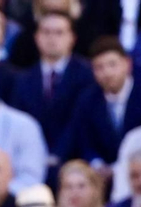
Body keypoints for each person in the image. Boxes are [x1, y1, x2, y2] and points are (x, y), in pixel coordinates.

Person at [10, 11, 92, 168]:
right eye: (46, 32)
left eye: (59, 32)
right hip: (32, 162)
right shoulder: (23, 79)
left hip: (76, 162)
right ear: (36, 37)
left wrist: (58, 155)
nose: (52, 38)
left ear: (72, 38)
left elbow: (80, 122)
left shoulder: (87, 75)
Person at [62, 39, 141, 168]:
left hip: (139, 167)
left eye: (112, 65)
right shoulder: (87, 100)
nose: (107, 73)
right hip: (100, 174)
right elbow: (85, 142)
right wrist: (97, 165)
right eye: (99, 67)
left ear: (127, 64)